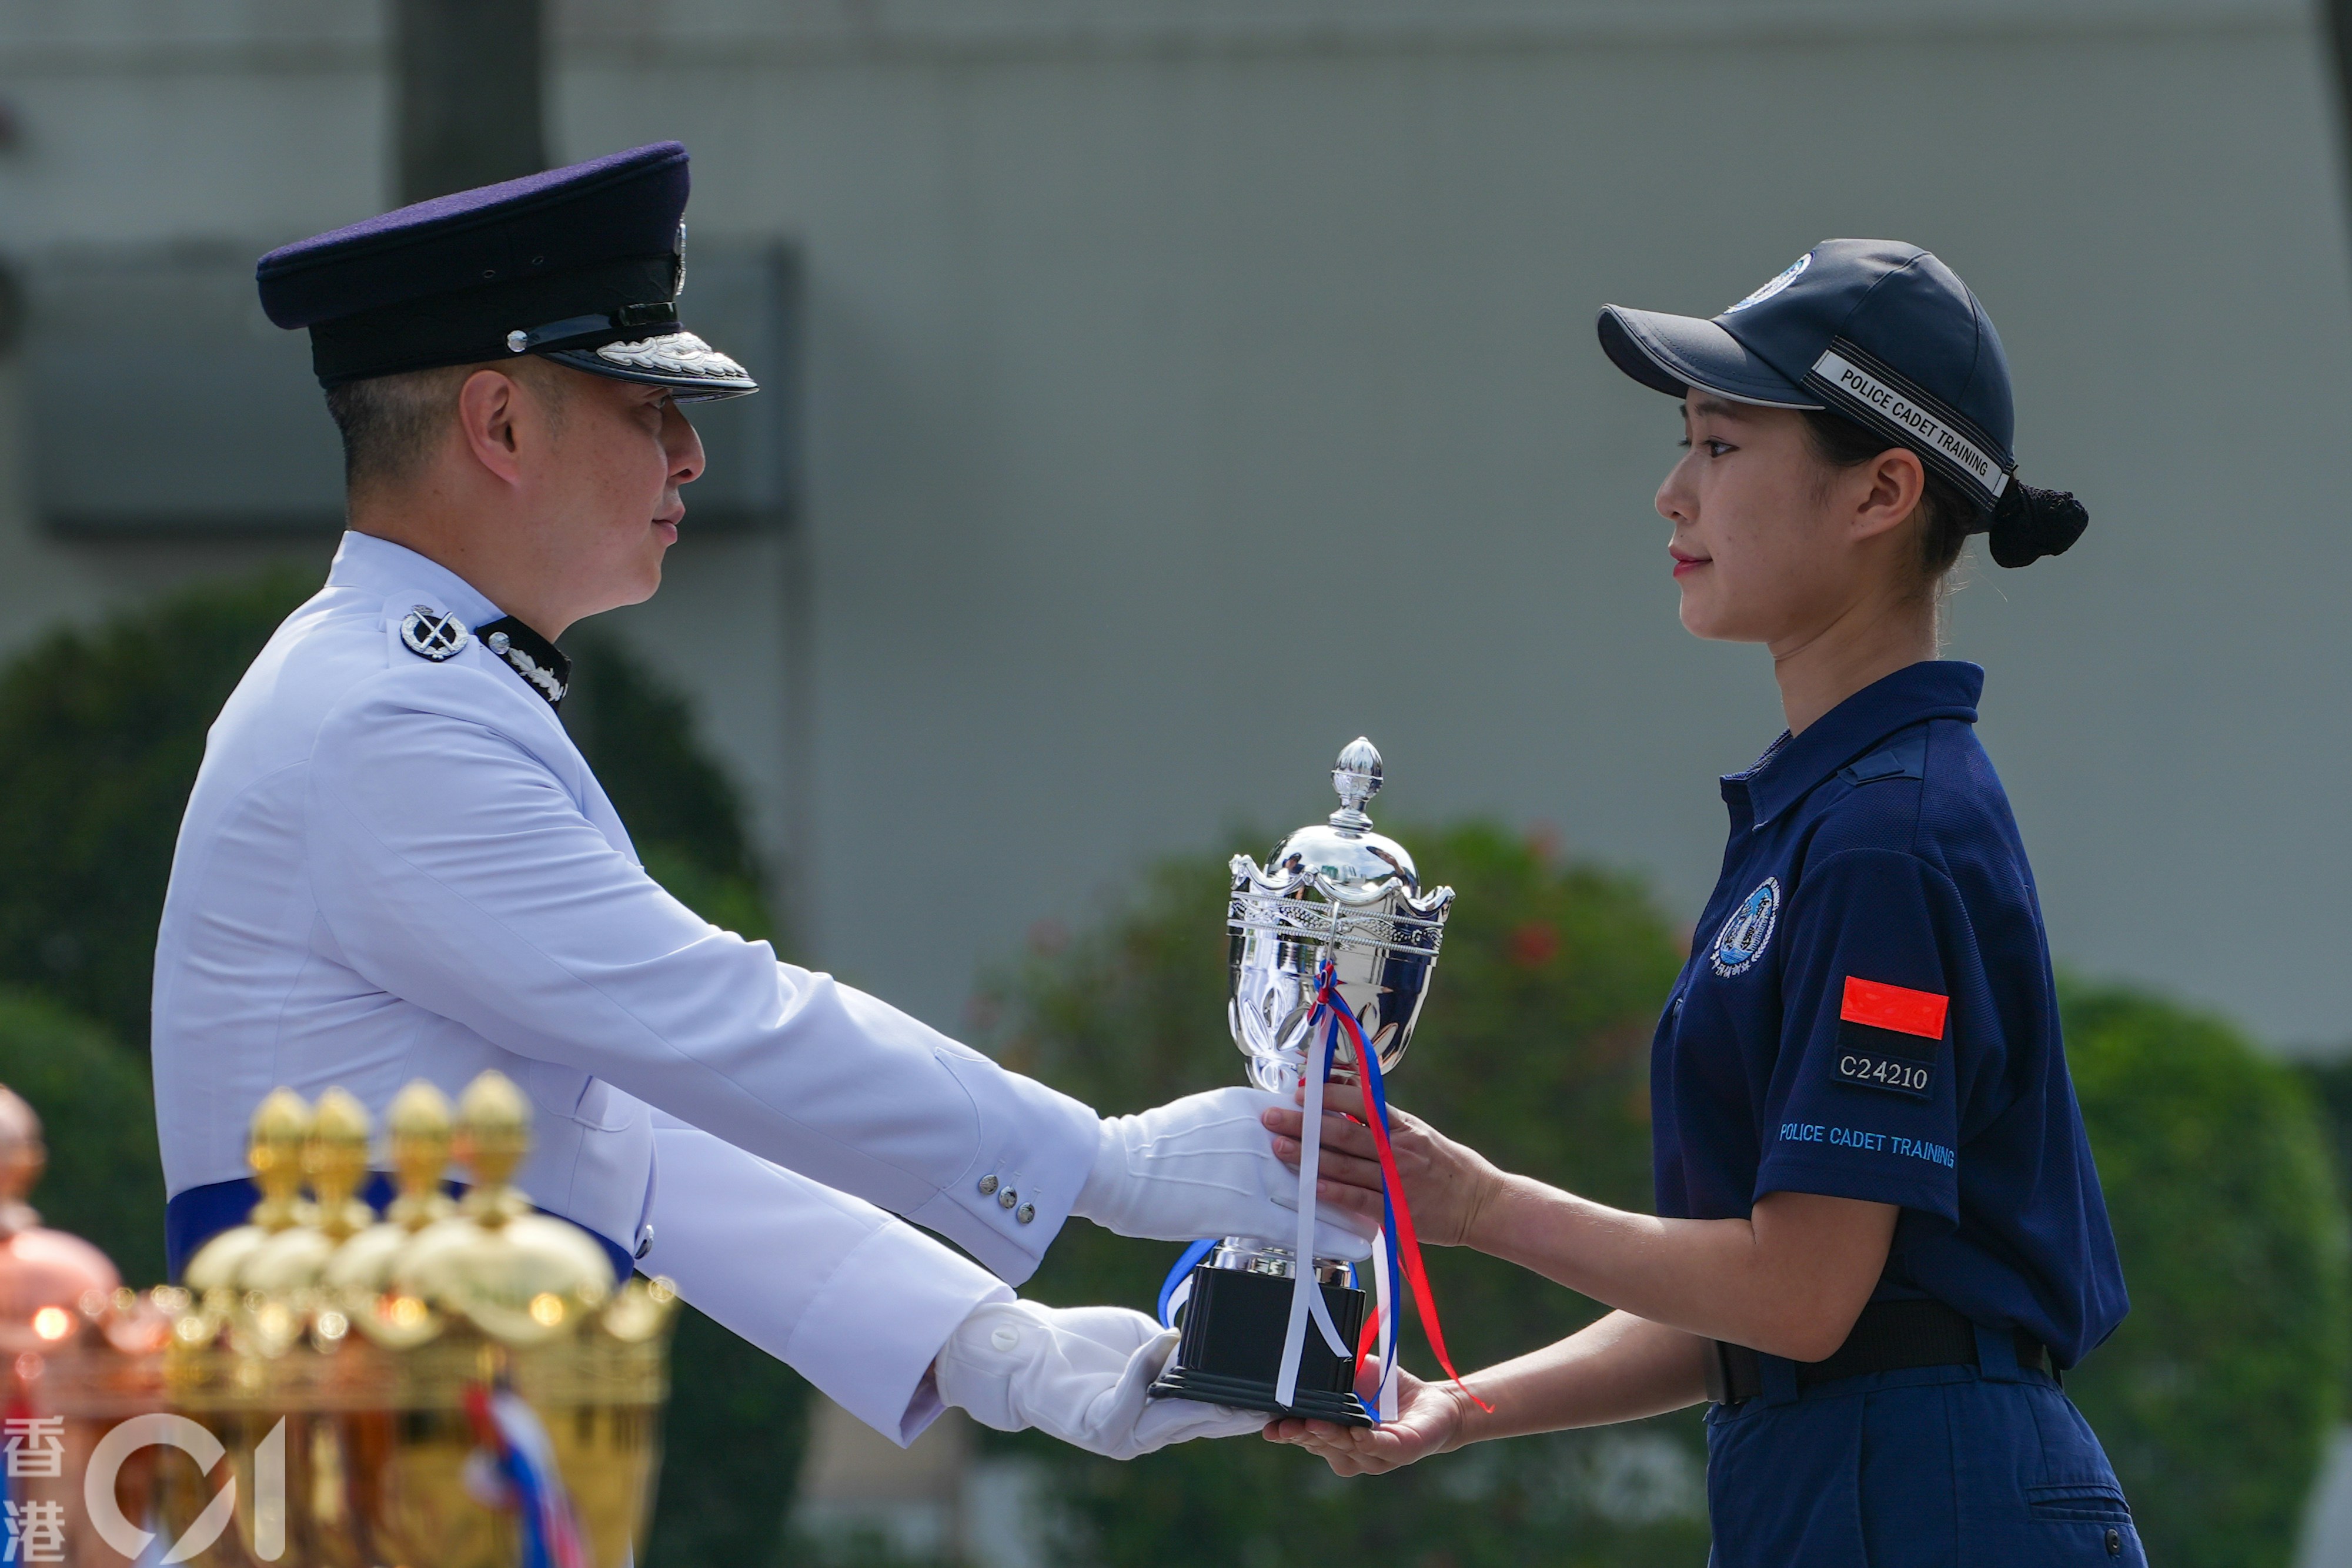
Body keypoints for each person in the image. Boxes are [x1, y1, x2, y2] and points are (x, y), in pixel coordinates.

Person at [151, 141, 1367, 1459]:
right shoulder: (386, 716)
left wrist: (996, 1348)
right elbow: (714, 1019)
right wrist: (1103, 1164)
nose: (687, 457)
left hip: (426, 1462)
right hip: (361, 1484)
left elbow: (628, 1137)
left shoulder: (412, 689)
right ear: (498, 424)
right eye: (643, 407)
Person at [1262, 240, 2139, 1563]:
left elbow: (1800, 1293)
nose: (1671, 492)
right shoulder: (1833, 811)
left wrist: (1480, 1203)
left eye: (1721, 447)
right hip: (1847, 1475)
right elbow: (1756, 1300)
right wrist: (1458, 1406)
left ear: (1882, 489)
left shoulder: (1883, 833)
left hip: (1925, 1493)